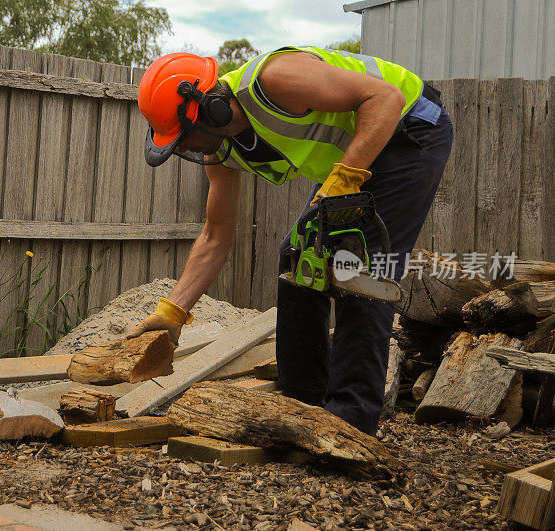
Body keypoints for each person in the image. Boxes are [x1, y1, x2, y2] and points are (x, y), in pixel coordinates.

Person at [128, 46, 453, 435]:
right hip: (357, 151)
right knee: (298, 256)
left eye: (183, 137)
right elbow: (215, 235)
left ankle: (349, 421)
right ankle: (303, 403)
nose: (183, 148)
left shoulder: (275, 79)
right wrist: (173, 313)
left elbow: (387, 97)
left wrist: (347, 176)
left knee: (358, 267)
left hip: (409, 128)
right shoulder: (222, 151)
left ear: (210, 108)